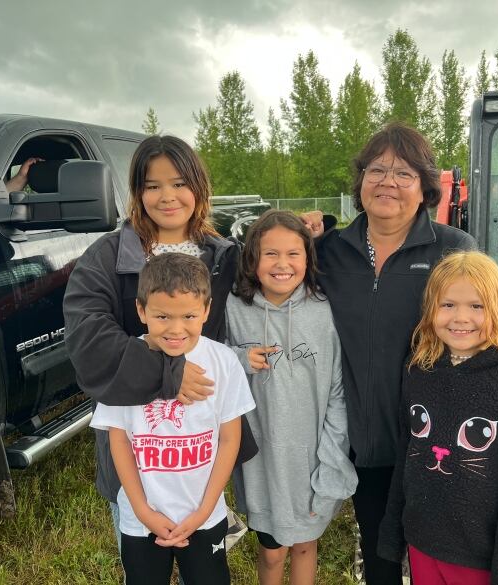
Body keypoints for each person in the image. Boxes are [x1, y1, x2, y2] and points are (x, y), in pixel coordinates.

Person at [301, 122, 498, 584]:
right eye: (376, 169)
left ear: (425, 186)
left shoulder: (452, 248)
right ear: (360, 179)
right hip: (359, 439)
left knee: (443, 558)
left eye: (403, 173)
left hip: (429, 441)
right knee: (380, 556)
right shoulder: (327, 252)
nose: (387, 182)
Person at [63, 135, 244, 551]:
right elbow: (88, 342)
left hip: (199, 453)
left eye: (179, 183)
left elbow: (276, 286)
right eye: (152, 185)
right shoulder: (106, 258)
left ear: (199, 187)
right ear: (137, 192)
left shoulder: (225, 257)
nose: (167, 196)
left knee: (203, 559)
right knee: (143, 557)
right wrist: (169, 373)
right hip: (135, 453)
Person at [377, 250, 498, 585]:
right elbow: (408, 454)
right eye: (448, 305)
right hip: (422, 543)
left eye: (477, 306)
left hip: (480, 558)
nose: (460, 317)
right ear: (430, 310)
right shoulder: (419, 369)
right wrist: (393, 531)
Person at [90, 253, 255, 585]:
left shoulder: (222, 362)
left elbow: (229, 440)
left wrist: (204, 510)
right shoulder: (124, 363)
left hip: (204, 516)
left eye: (190, 315)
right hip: (141, 520)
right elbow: (118, 440)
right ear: (141, 311)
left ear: (207, 311)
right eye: (162, 315)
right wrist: (143, 510)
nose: (176, 329)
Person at [225, 210, 358, 585]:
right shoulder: (235, 308)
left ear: (307, 258)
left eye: (293, 254)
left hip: (310, 458)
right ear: (252, 259)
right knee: (270, 551)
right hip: (261, 460)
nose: (282, 264)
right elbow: (211, 359)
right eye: (270, 254)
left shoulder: (323, 313)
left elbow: (337, 395)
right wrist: (238, 360)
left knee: (304, 545)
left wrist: (330, 462)